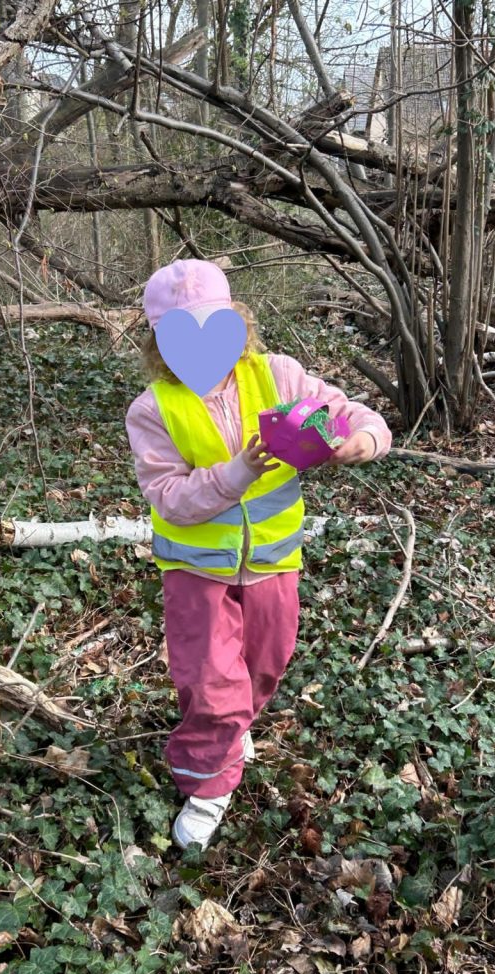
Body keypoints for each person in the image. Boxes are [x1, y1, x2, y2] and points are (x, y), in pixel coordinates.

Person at [125, 259, 392, 850]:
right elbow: (169, 498)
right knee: (210, 679)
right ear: (159, 341)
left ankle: (234, 725)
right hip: (196, 569)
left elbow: (351, 414)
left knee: (266, 660)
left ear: (237, 324)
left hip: (274, 559)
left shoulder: (276, 376)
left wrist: (361, 440)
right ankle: (208, 782)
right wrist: (238, 471)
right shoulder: (154, 409)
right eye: (178, 332)